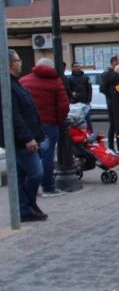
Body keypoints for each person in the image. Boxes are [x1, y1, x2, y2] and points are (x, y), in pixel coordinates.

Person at [0, 51, 47, 221]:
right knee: (36, 173)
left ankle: (25, 210)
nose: (21, 64)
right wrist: (28, 138)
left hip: (27, 137)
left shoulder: (15, 84)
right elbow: (14, 115)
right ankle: (28, 203)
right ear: (12, 63)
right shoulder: (7, 86)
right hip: (21, 141)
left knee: (21, 176)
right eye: (19, 60)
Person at [19, 58, 69, 197]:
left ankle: (29, 189)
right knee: (47, 156)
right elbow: (63, 106)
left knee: (30, 157)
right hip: (49, 124)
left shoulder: (24, 80)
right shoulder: (55, 82)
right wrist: (59, 121)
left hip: (29, 126)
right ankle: (48, 187)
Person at [99, 55, 119, 151]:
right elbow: (102, 88)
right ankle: (111, 146)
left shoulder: (118, 73)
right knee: (113, 124)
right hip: (112, 102)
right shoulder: (107, 74)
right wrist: (112, 96)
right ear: (113, 62)